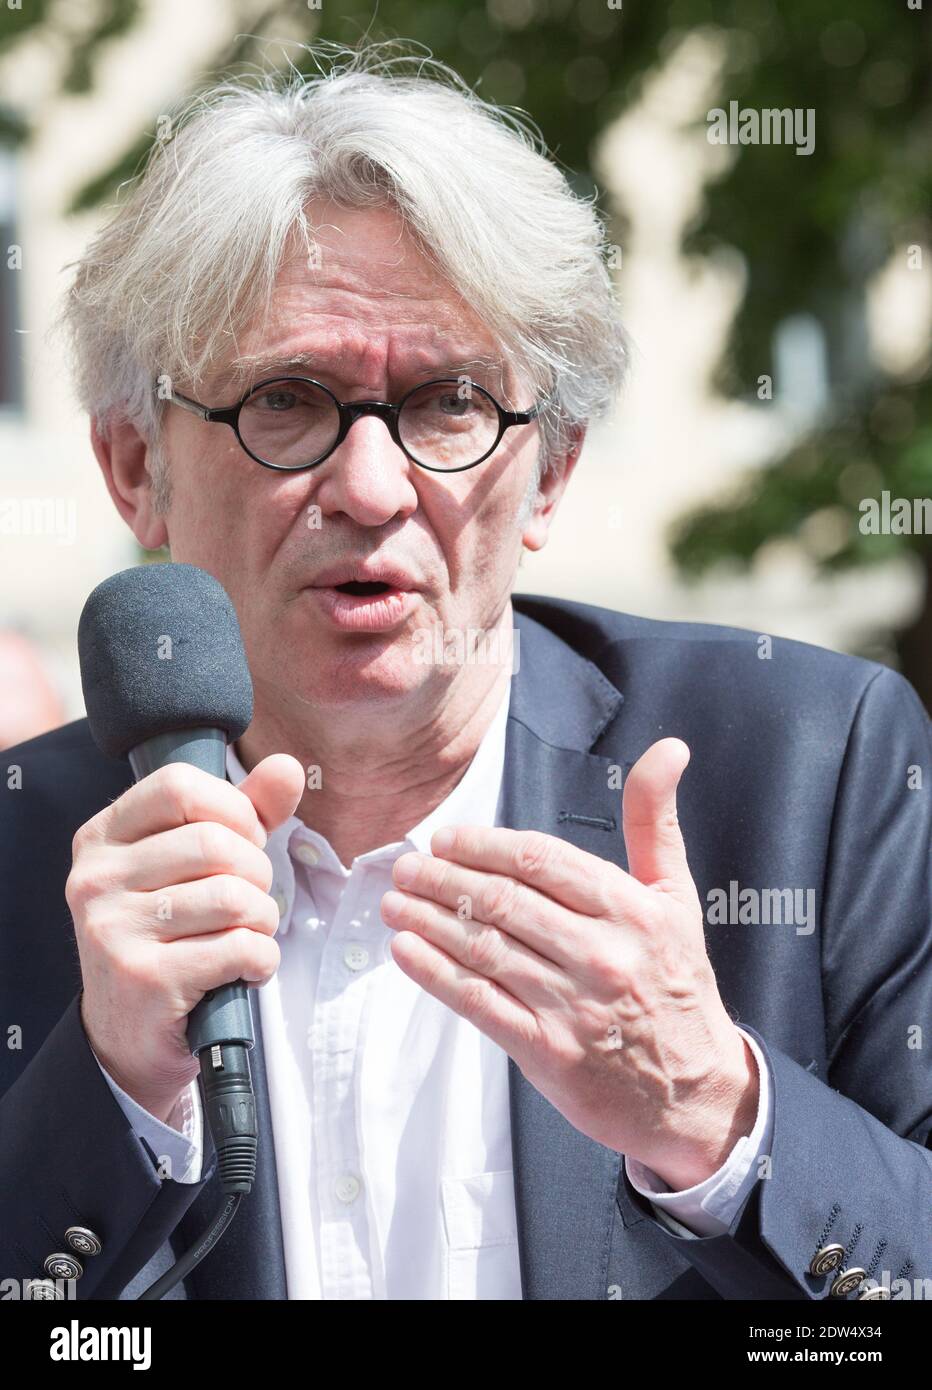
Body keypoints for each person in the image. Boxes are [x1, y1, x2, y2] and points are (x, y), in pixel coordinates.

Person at [1, 44, 929, 1302]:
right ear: (131, 467)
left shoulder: (817, 766)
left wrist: (717, 1117)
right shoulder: (24, 849)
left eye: (447, 403)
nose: (374, 487)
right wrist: (106, 1087)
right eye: (285, 398)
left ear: (548, 470)